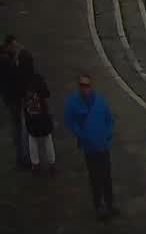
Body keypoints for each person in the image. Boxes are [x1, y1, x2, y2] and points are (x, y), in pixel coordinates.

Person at [65, 74, 117, 217]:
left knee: (106, 177)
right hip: (90, 148)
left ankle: (110, 204)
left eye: (87, 85)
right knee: (95, 178)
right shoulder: (73, 103)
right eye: (82, 85)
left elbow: (110, 120)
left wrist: (108, 135)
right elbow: (71, 122)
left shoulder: (100, 101)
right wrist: (82, 136)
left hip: (103, 145)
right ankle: (99, 206)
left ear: (91, 86)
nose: (85, 88)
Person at [19, 53, 53, 175]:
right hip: (42, 113)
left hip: (29, 114)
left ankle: (35, 164)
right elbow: (47, 93)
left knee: (32, 138)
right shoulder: (38, 78)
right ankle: (51, 163)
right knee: (47, 137)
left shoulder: (21, 80)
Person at [1, 36, 26, 171]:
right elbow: (14, 76)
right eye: (14, 46)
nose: (16, 48)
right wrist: (16, 59)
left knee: (17, 125)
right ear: (8, 46)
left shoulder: (6, 57)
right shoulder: (6, 61)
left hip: (10, 97)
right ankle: (20, 157)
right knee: (17, 127)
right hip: (13, 98)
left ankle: (20, 154)